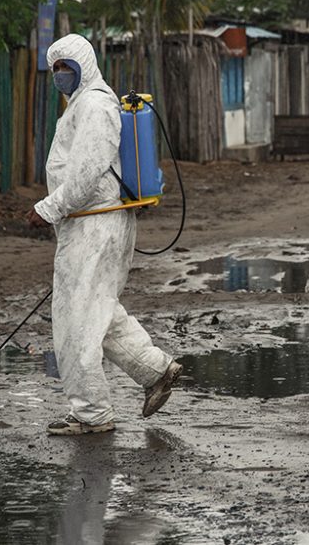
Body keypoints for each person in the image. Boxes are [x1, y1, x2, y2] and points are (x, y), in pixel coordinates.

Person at [27, 33, 181, 436]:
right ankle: (156, 371)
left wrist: (46, 209)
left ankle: (91, 413)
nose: (60, 74)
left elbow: (84, 174)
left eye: (67, 67)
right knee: (97, 310)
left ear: (85, 66)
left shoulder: (94, 104)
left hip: (95, 223)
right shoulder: (83, 102)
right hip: (90, 223)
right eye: (55, 68)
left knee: (76, 321)